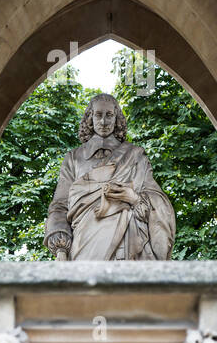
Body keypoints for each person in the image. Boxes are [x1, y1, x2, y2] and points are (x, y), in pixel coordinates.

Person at [44, 93, 175, 261]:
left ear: (116, 118)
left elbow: (157, 199)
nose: (104, 122)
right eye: (98, 115)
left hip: (129, 242)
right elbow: (60, 205)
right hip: (84, 244)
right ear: (90, 118)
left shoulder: (135, 156)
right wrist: (61, 246)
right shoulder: (74, 158)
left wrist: (134, 199)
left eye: (109, 115)